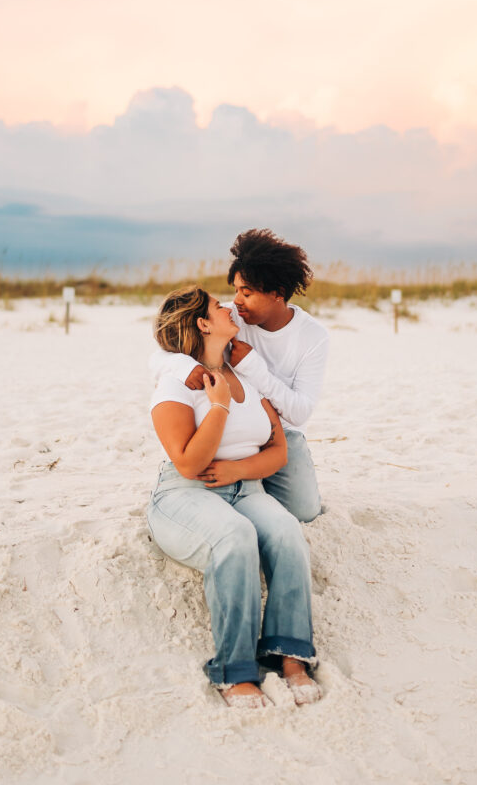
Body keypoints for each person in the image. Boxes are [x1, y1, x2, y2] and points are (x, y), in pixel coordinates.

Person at [147, 285, 321, 708]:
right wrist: (219, 406)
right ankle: (234, 670)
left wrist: (239, 470)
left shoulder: (246, 374)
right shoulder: (176, 383)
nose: (229, 307)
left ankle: (289, 653)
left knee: (286, 533)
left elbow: (277, 450)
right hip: (187, 494)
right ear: (203, 323)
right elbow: (189, 463)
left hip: (247, 487)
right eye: (216, 306)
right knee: (236, 538)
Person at [149, 229, 329, 523]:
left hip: (278, 436)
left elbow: (299, 412)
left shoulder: (313, 337)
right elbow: (160, 354)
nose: (237, 301)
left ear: (277, 294)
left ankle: (257, 491)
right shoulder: (232, 316)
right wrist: (184, 367)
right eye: (235, 289)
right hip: (233, 424)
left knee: (304, 512)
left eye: (247, 292)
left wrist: (253, 367)